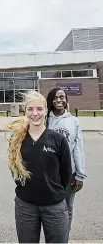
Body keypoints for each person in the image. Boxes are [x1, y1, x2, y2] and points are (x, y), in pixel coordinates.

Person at [5, 90, 72, 243]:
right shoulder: (16, 140)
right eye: (30, 109)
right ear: (25, 111)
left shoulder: (58, 140)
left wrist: (52, 191)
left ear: (46, 110)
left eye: (39, 109)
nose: (35, 113)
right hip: (25, 207)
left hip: (55, 207)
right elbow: (15, 171)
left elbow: (66, 173)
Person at [46, 87, 86, 231]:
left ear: (66, 100)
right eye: (55, 97)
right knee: (49, 208)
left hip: (69, 173)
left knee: (67, 208)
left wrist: (80, 174)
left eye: (62, 97)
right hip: (48, 173)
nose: (59, 100)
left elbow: (78, 148)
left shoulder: (73, 121)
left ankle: (64, 238)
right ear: (50, 100)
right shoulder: (44, 119)